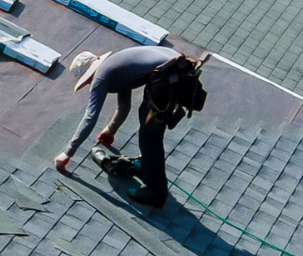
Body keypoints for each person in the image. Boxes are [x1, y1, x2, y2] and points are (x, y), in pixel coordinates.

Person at [55, 47, 209, 209]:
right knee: (146, 120)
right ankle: (147, 166)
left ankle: (156, 192)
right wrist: (111, 130)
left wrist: (68, 152)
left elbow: (90, 117)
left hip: (168, 75)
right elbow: (124, 106)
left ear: (90, 75)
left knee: (150, 134)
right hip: (174, 70)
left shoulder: (101, 77)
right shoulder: (116, 68)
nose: (90, 85)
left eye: (87, 81)